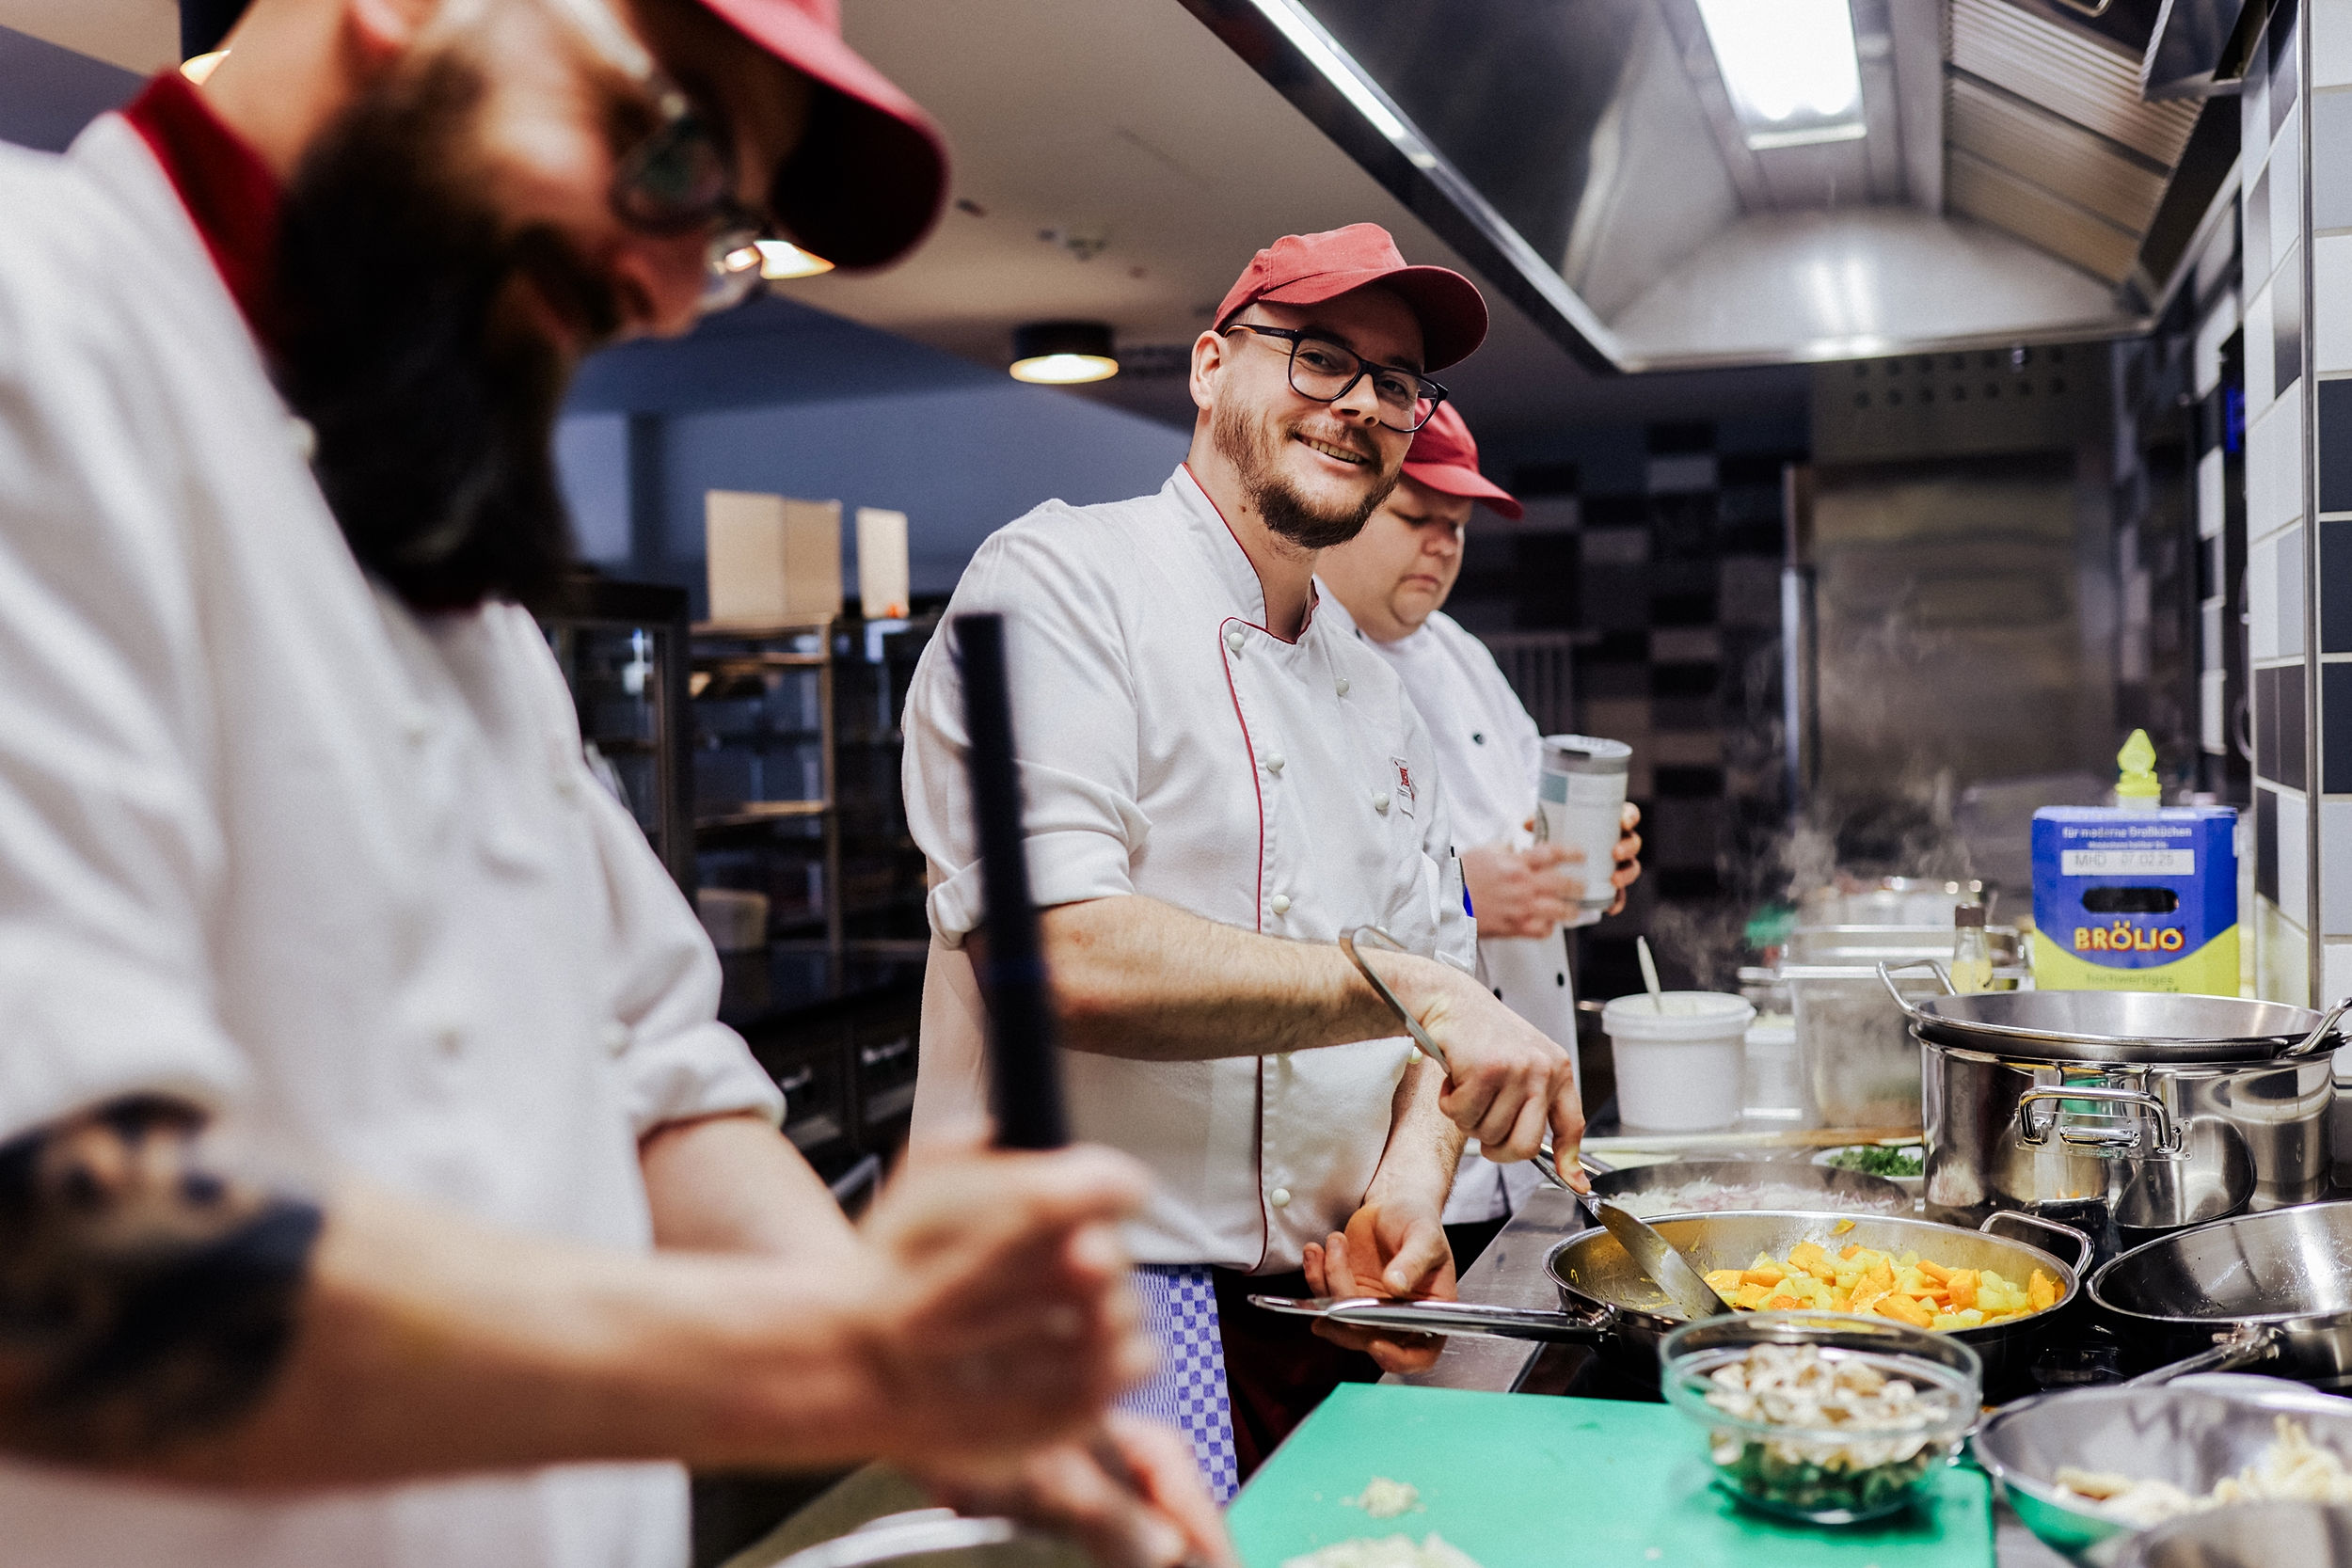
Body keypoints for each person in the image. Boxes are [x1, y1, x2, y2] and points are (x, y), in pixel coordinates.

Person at [0, 1, 1232, 1565]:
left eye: (718, 224)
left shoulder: (436, 568)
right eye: (668, 146)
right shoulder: (36, 326)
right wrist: (837, 1363)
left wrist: (924, 1359)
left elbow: (658, 1079)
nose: (664, 296)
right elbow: (56, 1249)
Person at [901, 223, 1591, 1498]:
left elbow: (1435, 1023)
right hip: (1099, 1315)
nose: (1362, 407)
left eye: (1396, 383)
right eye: (1321, 358)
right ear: (1213, 365)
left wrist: (1407, 1194)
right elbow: (1055, 954)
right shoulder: (1055, 584)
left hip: (1323, 1321)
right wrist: (1413, 989)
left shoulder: (1376, 695)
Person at [1314, 405, 1645, 1266]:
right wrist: (1467, 894)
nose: (1441, 544)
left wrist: (1591, 860)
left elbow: (1531, 823)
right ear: (1352, 499)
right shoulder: (1306, 659)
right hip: (1404, 1165)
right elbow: (1304, 908)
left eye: (1455, 527)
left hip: (1525, 1128)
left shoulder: (1460, 654)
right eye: (1415, 517)